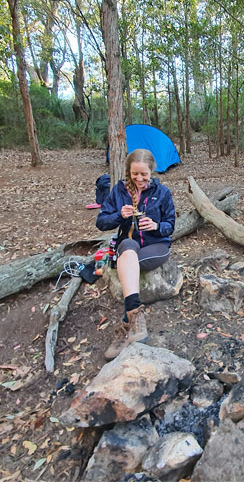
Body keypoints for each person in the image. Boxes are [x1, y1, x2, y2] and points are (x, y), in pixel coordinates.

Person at [96, 149, 175, 360]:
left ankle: (125, 326)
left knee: (128, 267)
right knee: (128, 249)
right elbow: (101, 222)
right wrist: (119, 215)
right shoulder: (118, 191)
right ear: (128, 171)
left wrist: (156, 226)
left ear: (152, 171)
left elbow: (170, 225)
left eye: (144, 174)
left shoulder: (163, 192)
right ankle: (136, 319)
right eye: (135, 174)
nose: (139, 179)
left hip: (155, 246)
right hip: (129, 245)